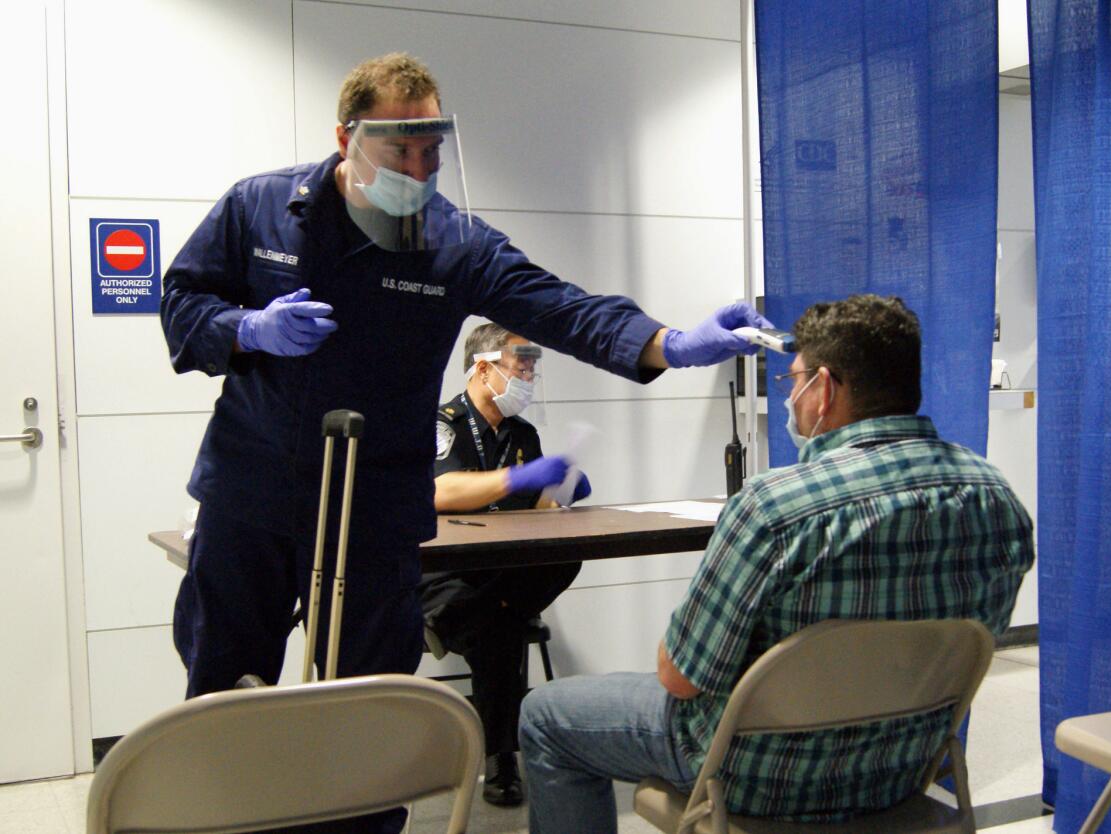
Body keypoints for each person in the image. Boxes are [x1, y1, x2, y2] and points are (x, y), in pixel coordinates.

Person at [161, 50, 764, 720]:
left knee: (369, 709)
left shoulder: (452, 242)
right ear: (345, 140)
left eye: (432, 154)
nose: (418, 175)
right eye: (399, 156)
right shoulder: (262, 207)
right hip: (254, 490)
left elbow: (560, 307)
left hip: (376, 506)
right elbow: (183, 302)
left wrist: (668, 343)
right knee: (220, 691)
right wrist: (247, 329)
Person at [518, 294, 1036, 833]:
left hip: (757, 776)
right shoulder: (996, 497)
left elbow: (679, 679)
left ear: (825, 388)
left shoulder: (775, 507)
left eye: (793, 382)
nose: (791, 397)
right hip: (899, 769)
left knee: (546, 714)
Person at [420, 322, 586, 807]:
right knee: (499, 627)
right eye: (522, 365)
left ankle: (450, 621)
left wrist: (560, 493)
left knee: (563, 556)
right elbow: (439, 492)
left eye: (534, 366)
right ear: (485, 367)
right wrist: (518, 477)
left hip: (497, 576)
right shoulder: (440, 422)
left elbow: (535, 518)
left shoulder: (521, 433)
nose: (530, 376)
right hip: (445, 571)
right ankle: (502, 759)